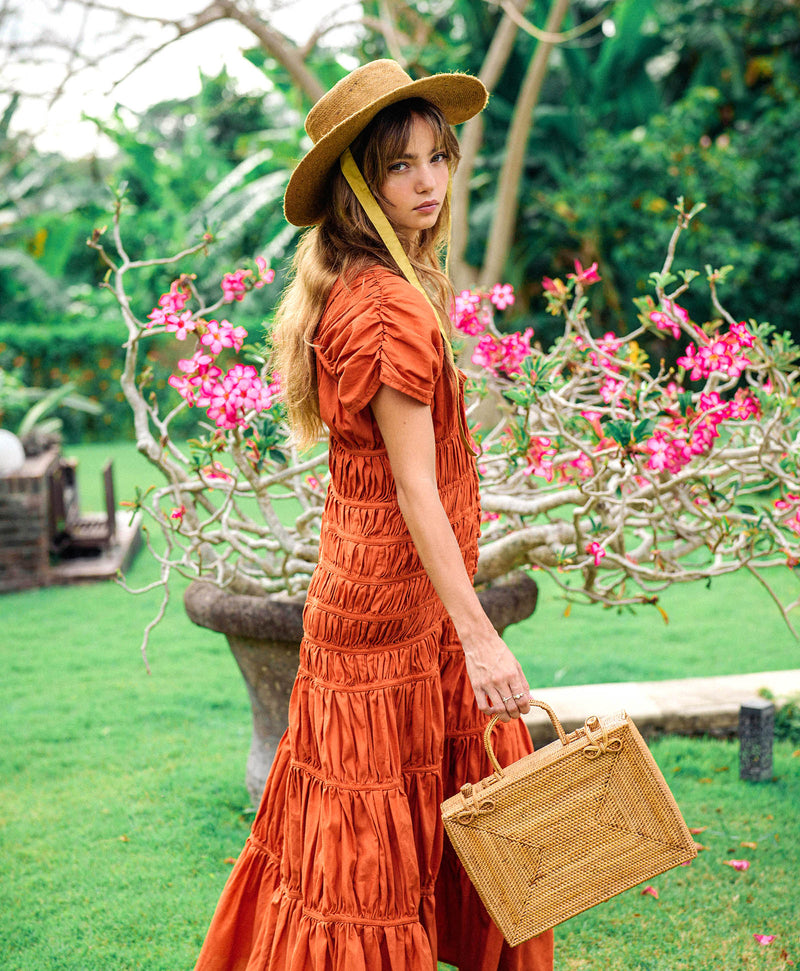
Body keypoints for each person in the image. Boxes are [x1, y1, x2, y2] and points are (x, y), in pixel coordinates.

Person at [194, 59, 554, 971]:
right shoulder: (387, 307)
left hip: (384, 597)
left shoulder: (364, 284)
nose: (429, 181)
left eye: (438, 156)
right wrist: (482, 635)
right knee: (361, 865)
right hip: (390, 608)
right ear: (359, 180)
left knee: (366, 842)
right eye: (401, 165)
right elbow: (414, 489)